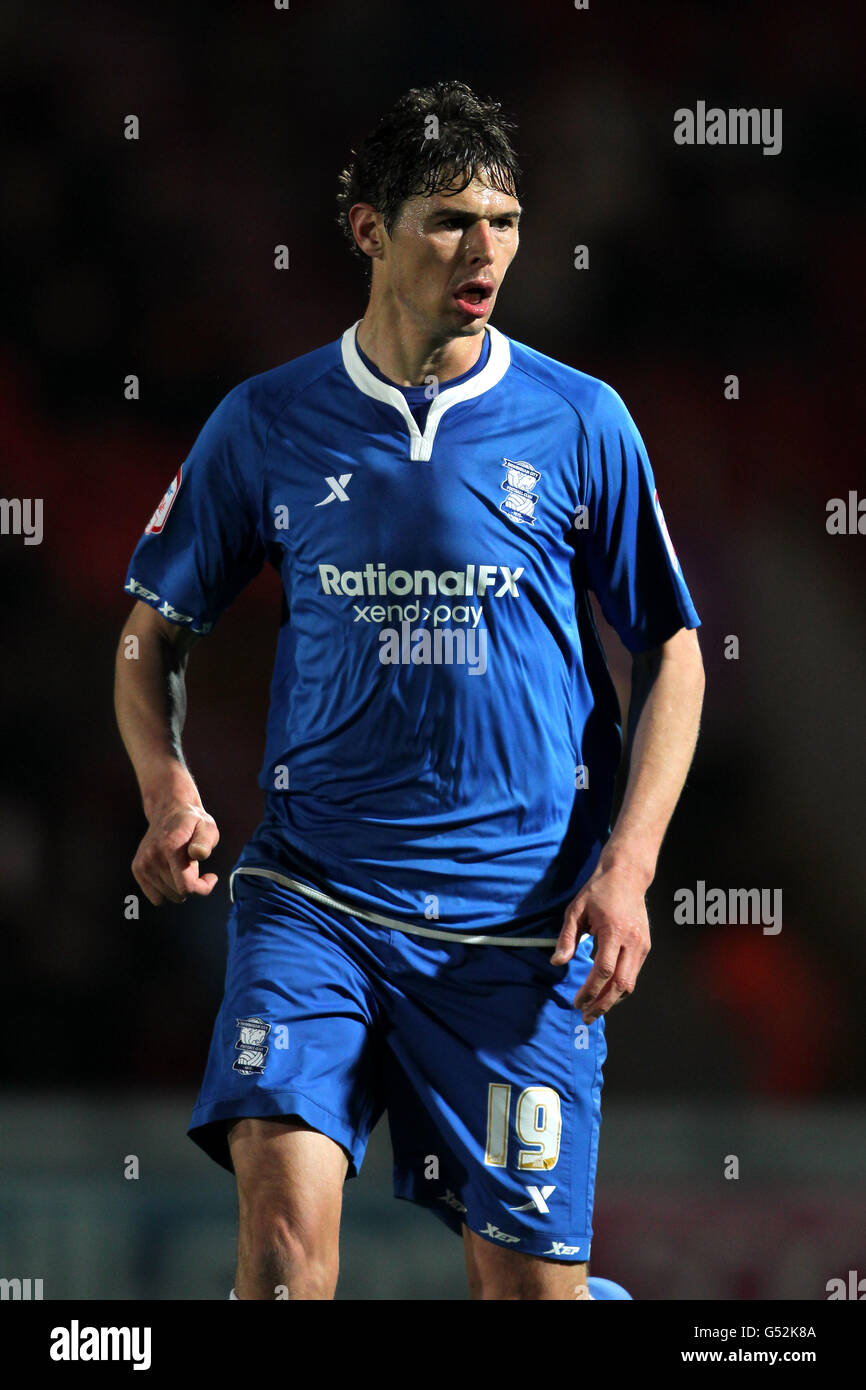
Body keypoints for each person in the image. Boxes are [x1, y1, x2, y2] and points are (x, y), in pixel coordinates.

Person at [114, 80, 704, 1301]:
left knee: (529, 1294)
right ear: (368, 230)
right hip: (314, 901)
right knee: (280, 1258)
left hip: (516, 928)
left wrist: (631, 863)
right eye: (447, 219)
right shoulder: (265, 421)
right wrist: (167, 787)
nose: (483, 248)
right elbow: (147, 637)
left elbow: (675, 647)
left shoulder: (580, 421)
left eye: (503, 218)